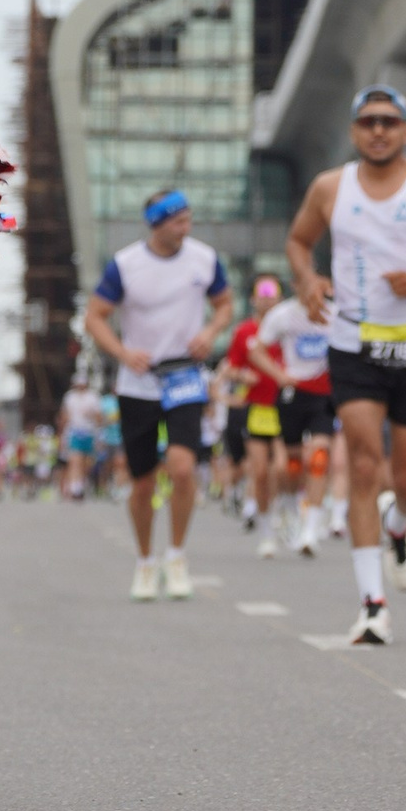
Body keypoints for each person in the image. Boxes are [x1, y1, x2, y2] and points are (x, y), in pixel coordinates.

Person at [286, 85, 406, 645]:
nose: (378, 131)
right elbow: (299, 242)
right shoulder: (331, 186)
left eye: (389, 122)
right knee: (365, 461)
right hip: (353, 342)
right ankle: (372, 605)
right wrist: (308, 279)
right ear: (354, 132)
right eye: (369, 122)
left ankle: (402, 526)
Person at [85, 186, 231, 600]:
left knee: (183, 469)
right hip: (139, 383)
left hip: (185, 375)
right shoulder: (126, 266)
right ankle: (146, 561)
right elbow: (95, 316)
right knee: (143, 482)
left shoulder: (203, 259)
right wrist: (122, 352)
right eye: (179, 220)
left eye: (188, 218)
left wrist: (210, 331)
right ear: (157, 225)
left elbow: (224, 304)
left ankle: (177, 555)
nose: (187, 226)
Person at [254, 279, 336, 551]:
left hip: (324, 393)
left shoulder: (334, 314)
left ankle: (310, 529)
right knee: (291, 464)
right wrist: (279, 376)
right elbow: (256, 350)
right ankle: (289, 506)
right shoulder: (283, 315)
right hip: (292, 393)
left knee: (319, 457)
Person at [226, 277, 287, 548]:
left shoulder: (289, 328)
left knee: (283, 468)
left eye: (271, 296)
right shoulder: (244, 331)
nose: (266, 300)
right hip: (257, 408)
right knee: (260, 471)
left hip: (286, 404)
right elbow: (231, 367)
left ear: (280, 300)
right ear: (253, 300)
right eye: (262, 296)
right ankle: (265, 529)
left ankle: (281, 511)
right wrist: (243, 376)